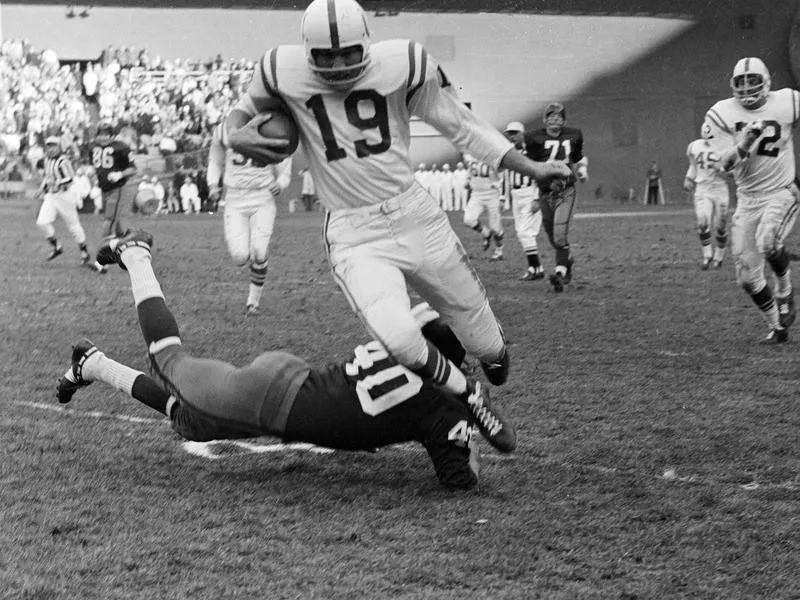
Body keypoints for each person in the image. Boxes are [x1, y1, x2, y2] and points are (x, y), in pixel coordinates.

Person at [224, 0, 570, 449]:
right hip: (354, 233)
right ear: (307, 51)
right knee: (401, 340)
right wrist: (234, 132)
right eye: (325, 56)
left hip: (415, 218)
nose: (337, 64)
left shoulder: (403, 62)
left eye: (347, 52)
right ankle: (470, 394)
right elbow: (241, 109)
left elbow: (462, 127)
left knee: (489, 349)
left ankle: (482, 352)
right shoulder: (280, 69)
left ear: (365, 43)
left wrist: (533, 167)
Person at [58, 229, 504, 490]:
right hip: (271, 398)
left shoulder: (408, 342)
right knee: (168, 359)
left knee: (194, 421)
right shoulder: (448, 407)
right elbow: (459, 479)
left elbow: (424, 323)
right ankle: (135, 255)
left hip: (293, 379)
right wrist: (465, 427)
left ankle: (92, 364)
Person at [704, 56, 799, 344]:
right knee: (747, 277)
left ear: (766, 82)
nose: (746, 89)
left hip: (781, 191)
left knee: (768, 241)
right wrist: (745, 142)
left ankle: (785, 292)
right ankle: (776, 327)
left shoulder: (787, 101)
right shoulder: (720, 114)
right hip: (747, 199)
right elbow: (724, 166)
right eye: (740, 83)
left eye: (752, 81)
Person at [206, 123, 293, 315]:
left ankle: (253, 303)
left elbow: (284, 168)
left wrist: (280, 183)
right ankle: (256, 263)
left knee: (259, 252)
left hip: (262, 196)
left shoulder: (273, 131)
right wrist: (213, 185)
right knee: (239, 257)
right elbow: (215, 161)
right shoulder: (223, 130)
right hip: (235, 199)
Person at [523, 102, 588, 292]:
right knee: (553, 238)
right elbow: (532, 167)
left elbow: (577, 159)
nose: (555, 120)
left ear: (564, 120)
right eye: (551, 116)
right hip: (545, 193)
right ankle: (565, 263)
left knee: (560, 235)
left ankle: (559, 273)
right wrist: (536, 195)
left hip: (566, 191)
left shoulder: (574, 135)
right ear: (545, 120)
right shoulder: (533, 138)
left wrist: (582, 170)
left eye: (559, 117)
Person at [34, 136, 105, 273]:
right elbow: (47, 177)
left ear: (59, 147)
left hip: (65, 196)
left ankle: (84, 252)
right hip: (52, 196)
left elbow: (70, 178)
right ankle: (56, 247)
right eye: (49, 146)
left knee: (73, 225)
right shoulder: (47, 159)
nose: (51, 148)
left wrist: (57, 183)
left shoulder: (63, 161)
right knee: (42, 222)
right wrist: (42, 189)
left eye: (54, 146)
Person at [684, 123, 730, 270]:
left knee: (720, 227)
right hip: (703, 189)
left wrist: (722, 169)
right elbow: (693, 166)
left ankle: (719, 256)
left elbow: (734, 174)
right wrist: (688, 178)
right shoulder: (694, 146)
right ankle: (707, 255)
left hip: (720, 189)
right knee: (702, 223)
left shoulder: (727, 147)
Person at [503, 121, 544, 280]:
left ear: (522, 134)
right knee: (522, 233)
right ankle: (536, 268)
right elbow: (506, 176)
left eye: (515, 133)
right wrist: (505, 198)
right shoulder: (510, 154)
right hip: (516, 195)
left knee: (525, 232)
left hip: (528, 193)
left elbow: (540, 174)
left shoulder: (532, 152)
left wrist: (537, 197)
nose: (512, 137)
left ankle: (535, 267)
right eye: (510, 134)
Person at [90, 122, 138, 239]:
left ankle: (108, 248)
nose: (103, 137)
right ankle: (127, 239)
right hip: (103, 188)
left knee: (109, 220)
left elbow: (133, 169)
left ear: (112, 135)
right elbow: (95, 166)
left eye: (106, 134)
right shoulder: (93, 147)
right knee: (114, 219)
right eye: (100, 134)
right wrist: (93, 174)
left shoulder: (121, 147)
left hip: (116, 189)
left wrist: (120, 174)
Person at [463, 156, 505, 261]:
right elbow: (470, 174)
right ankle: (486, 233)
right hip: (476, 194)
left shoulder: (491, 155)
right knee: (468, 219)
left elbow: (503, 178)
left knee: (495, 227)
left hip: (492, 193)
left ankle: (499, 252)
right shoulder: (470, 156)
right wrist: (468, 182)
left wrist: (502, 198)